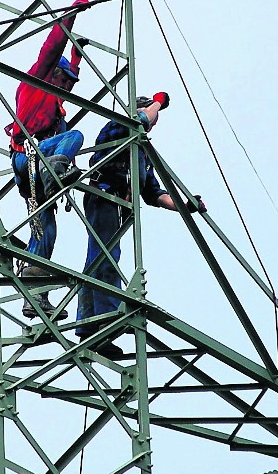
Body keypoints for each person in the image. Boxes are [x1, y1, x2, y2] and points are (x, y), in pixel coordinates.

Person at [75, 93, 206, 356]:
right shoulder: (119, 125)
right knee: (106, 256)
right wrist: (158, 103)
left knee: (100, 258)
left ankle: (92, 327)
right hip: (103, 194)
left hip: (117, 204)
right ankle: (105, 319)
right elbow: (142, 120)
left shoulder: (142, 154)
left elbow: (153, 194)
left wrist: (185, 205)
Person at [6, 0, 89, 321]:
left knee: (46, 232)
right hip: (27, 159)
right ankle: (57, 170)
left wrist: (76, 57)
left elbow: (70, 67)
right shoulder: (36, 82)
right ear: (54, 75)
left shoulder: (57, 110)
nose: (69, 87)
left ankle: (34, 295)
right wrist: (69, 18)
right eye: (66, 81)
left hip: (39, 170)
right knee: (75, 138)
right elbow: (50, 49)